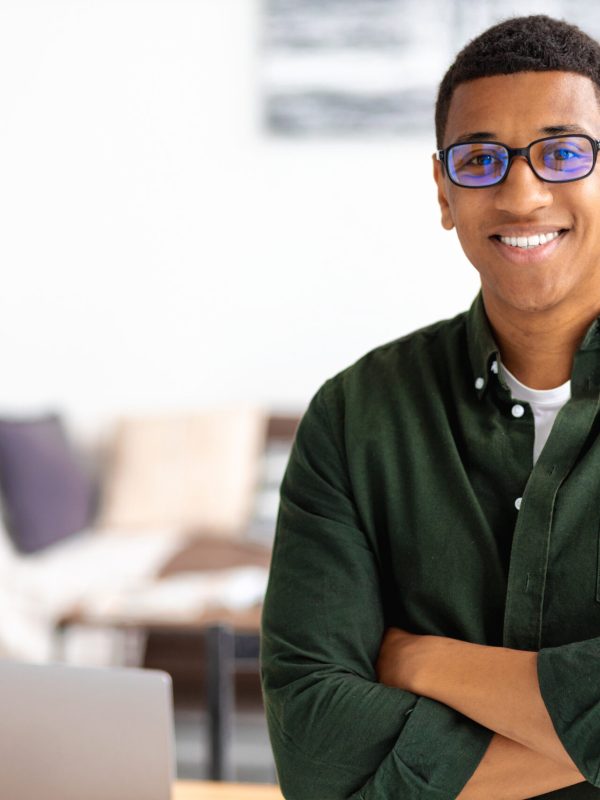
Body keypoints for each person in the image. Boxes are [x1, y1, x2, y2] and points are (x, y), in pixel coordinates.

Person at [260, 14, 600, 800]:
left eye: (561, 152)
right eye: (481, 160)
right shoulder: (355, 417)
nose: (521, 193)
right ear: (445, 192)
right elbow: (314, 748)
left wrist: (424, 660)